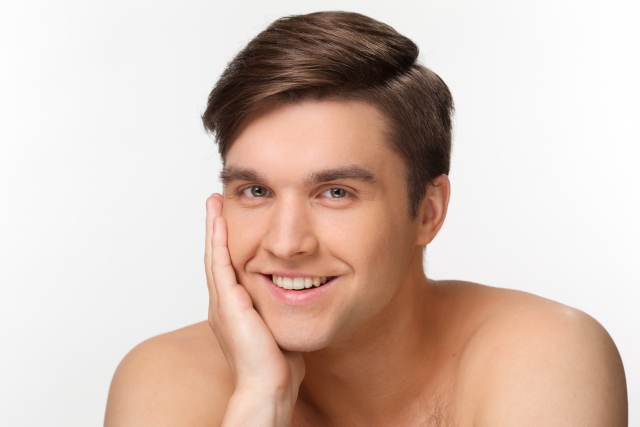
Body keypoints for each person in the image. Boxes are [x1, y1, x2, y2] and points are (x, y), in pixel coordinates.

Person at [104, 11, 627, 427]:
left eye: (335, 193)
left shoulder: (545, 353)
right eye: (256, 191)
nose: (286, 244)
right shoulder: (164, 379)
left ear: (428, 212)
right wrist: (262, 400)